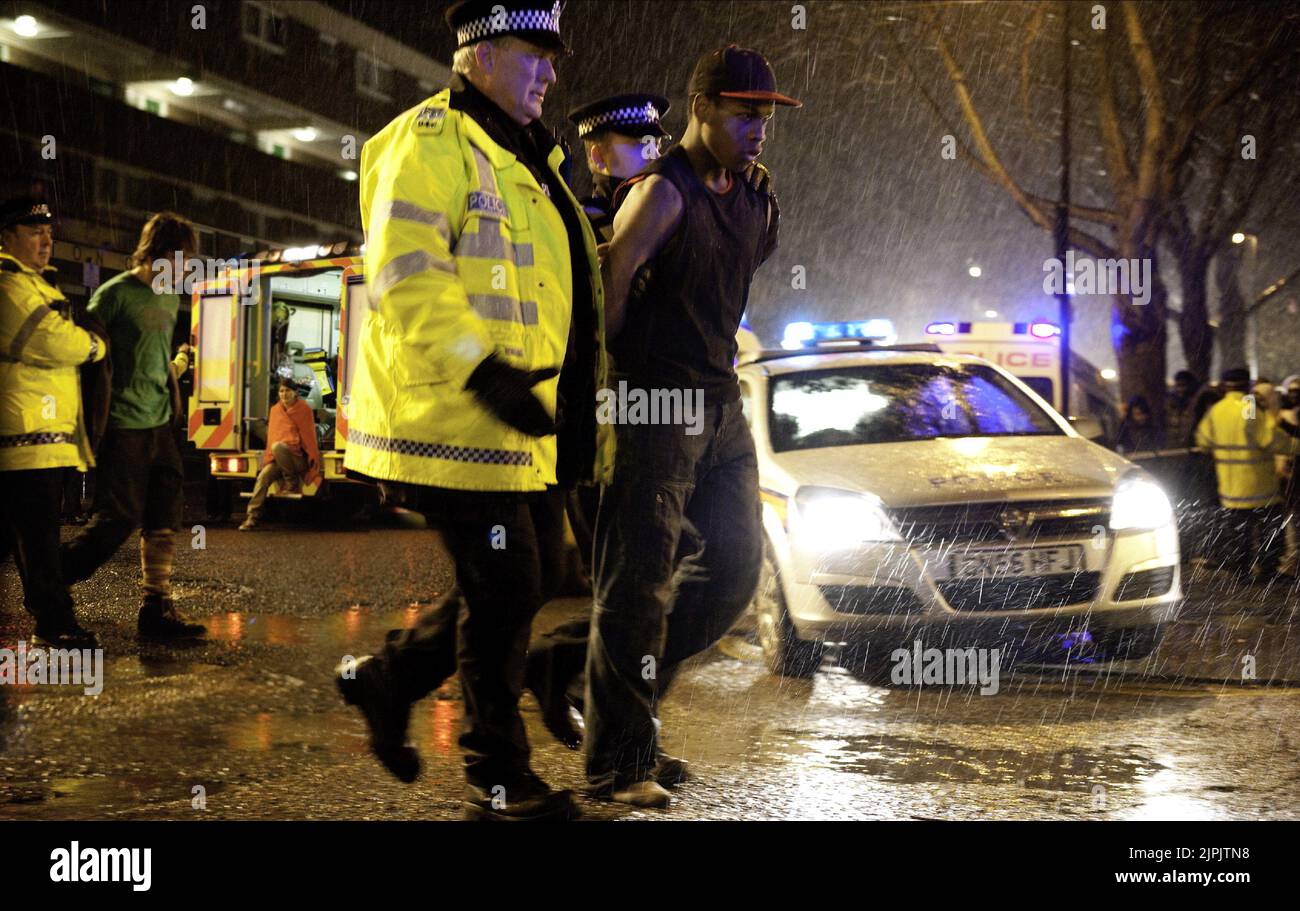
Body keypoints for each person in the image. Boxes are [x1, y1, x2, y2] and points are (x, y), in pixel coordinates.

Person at [334, 0, 611, 822]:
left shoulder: (532, 154)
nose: (552, 73)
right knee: (508, 577)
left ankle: (389, 678)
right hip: (453, 420)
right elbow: (406, 275)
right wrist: (481, 370)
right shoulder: (421, 142)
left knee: (539, 571)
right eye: (538, 53)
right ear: (483, 53)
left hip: (519, 425)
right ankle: (498, 776)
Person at [582, 45, 795, 808]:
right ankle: (619, 755)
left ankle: (608, 696)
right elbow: (611, 290)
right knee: (634, 584)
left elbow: (728, 284)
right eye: (744, 111)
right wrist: (611, 389)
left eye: (766, 114)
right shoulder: (659, 194)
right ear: (701, 106)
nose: (759, 126)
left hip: (721, 404)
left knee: (734, 569)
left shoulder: (757, 198)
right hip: (653, 405)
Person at [60, 212, 207, 640]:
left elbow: (157, 358)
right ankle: (51, 578)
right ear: (159, 253)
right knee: (117, 519)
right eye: (183, 259)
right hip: (122, 424)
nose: (186, 269)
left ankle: (156, 609)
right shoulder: (114, 296)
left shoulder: (165, 298)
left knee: (165, 513)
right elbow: (82, 353)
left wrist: (175, 375)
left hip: (160, 422)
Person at [0, 197, 108, 647]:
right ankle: (55, 621)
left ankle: (53, 615)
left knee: (25, 536)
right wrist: (95, 346)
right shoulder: (10, 285)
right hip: (25, 437)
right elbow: (53, 340)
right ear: (6, 238)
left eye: (48, 233)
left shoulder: (36, 283)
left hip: (39, 437)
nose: (46, 240)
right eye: (33, 232)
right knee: (38, 538)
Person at [1195, 367, 1300, 582]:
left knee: (1238, 532)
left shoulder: (1217, 409)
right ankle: (1267, 570)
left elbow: (1203, 440)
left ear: (1225, 386)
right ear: (1247, 385)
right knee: (1270, 528)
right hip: (1258, 485)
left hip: (1230, 488)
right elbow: (1267, 437)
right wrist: (1295, 446)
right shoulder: (1249, 406)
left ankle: (1241, 571)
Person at [239, 378, 321, 530]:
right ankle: (252, 517)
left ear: (296, 393)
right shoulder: (275, 410)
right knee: (263, 476)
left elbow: (309, 437)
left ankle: (292, 482)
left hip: (298, 459)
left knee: (278, 447)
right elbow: (272, 436)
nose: (284, 394)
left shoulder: (304, 409)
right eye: (281, 391)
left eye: (288, 391)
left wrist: (312, 458)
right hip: (278, 459)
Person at [1165, 370, 1200, 448]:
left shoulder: (1195, 404)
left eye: (1183, 385)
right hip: (1171, 448)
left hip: (1189, 448)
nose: (1180, 389)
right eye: (1178, 385)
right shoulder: (1169, 404)